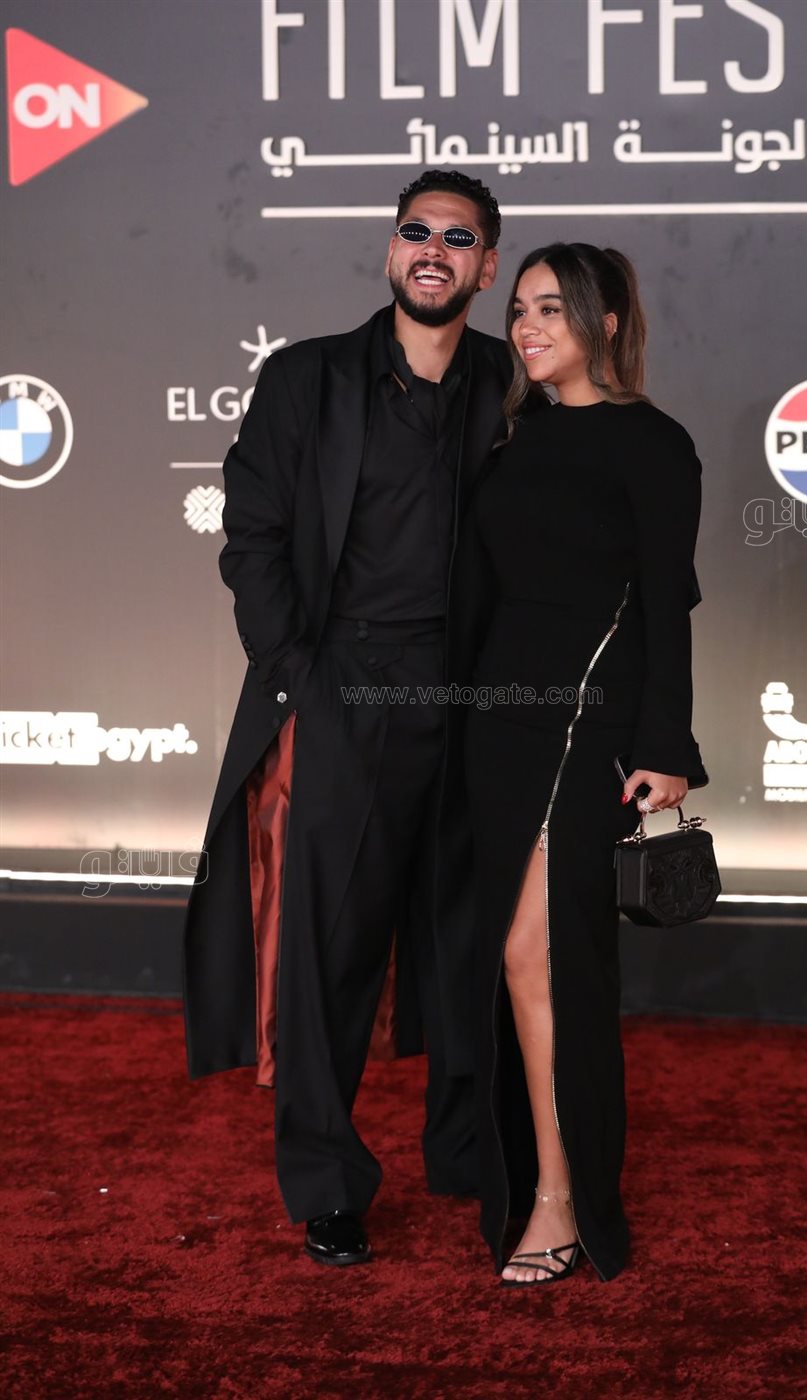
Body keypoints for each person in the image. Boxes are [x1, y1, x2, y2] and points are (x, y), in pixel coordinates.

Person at [183, 170, 511, 1267]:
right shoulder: (307, 378)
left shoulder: (510, 384)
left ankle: (465, 1152)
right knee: (327, 955)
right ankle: (326, 1179)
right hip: (344, 694)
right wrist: (300, 674)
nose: (433, 251)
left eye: (457, 239)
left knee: (469, 943)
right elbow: (253, 536)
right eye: (416, 231)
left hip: (473, 698)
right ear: (389, 251)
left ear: (486, 266)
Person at [448, 242, 707, 1285]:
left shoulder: (654, 443)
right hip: (499, 720)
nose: (527, 325)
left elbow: (667, 604)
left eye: (552, 308)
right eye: (519, 308)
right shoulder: (514, 441)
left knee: (542, 955)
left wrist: (666, 746)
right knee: (515, 958)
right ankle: (532, 1177)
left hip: (585, 724)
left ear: (604, 321)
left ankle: (564, 1198)